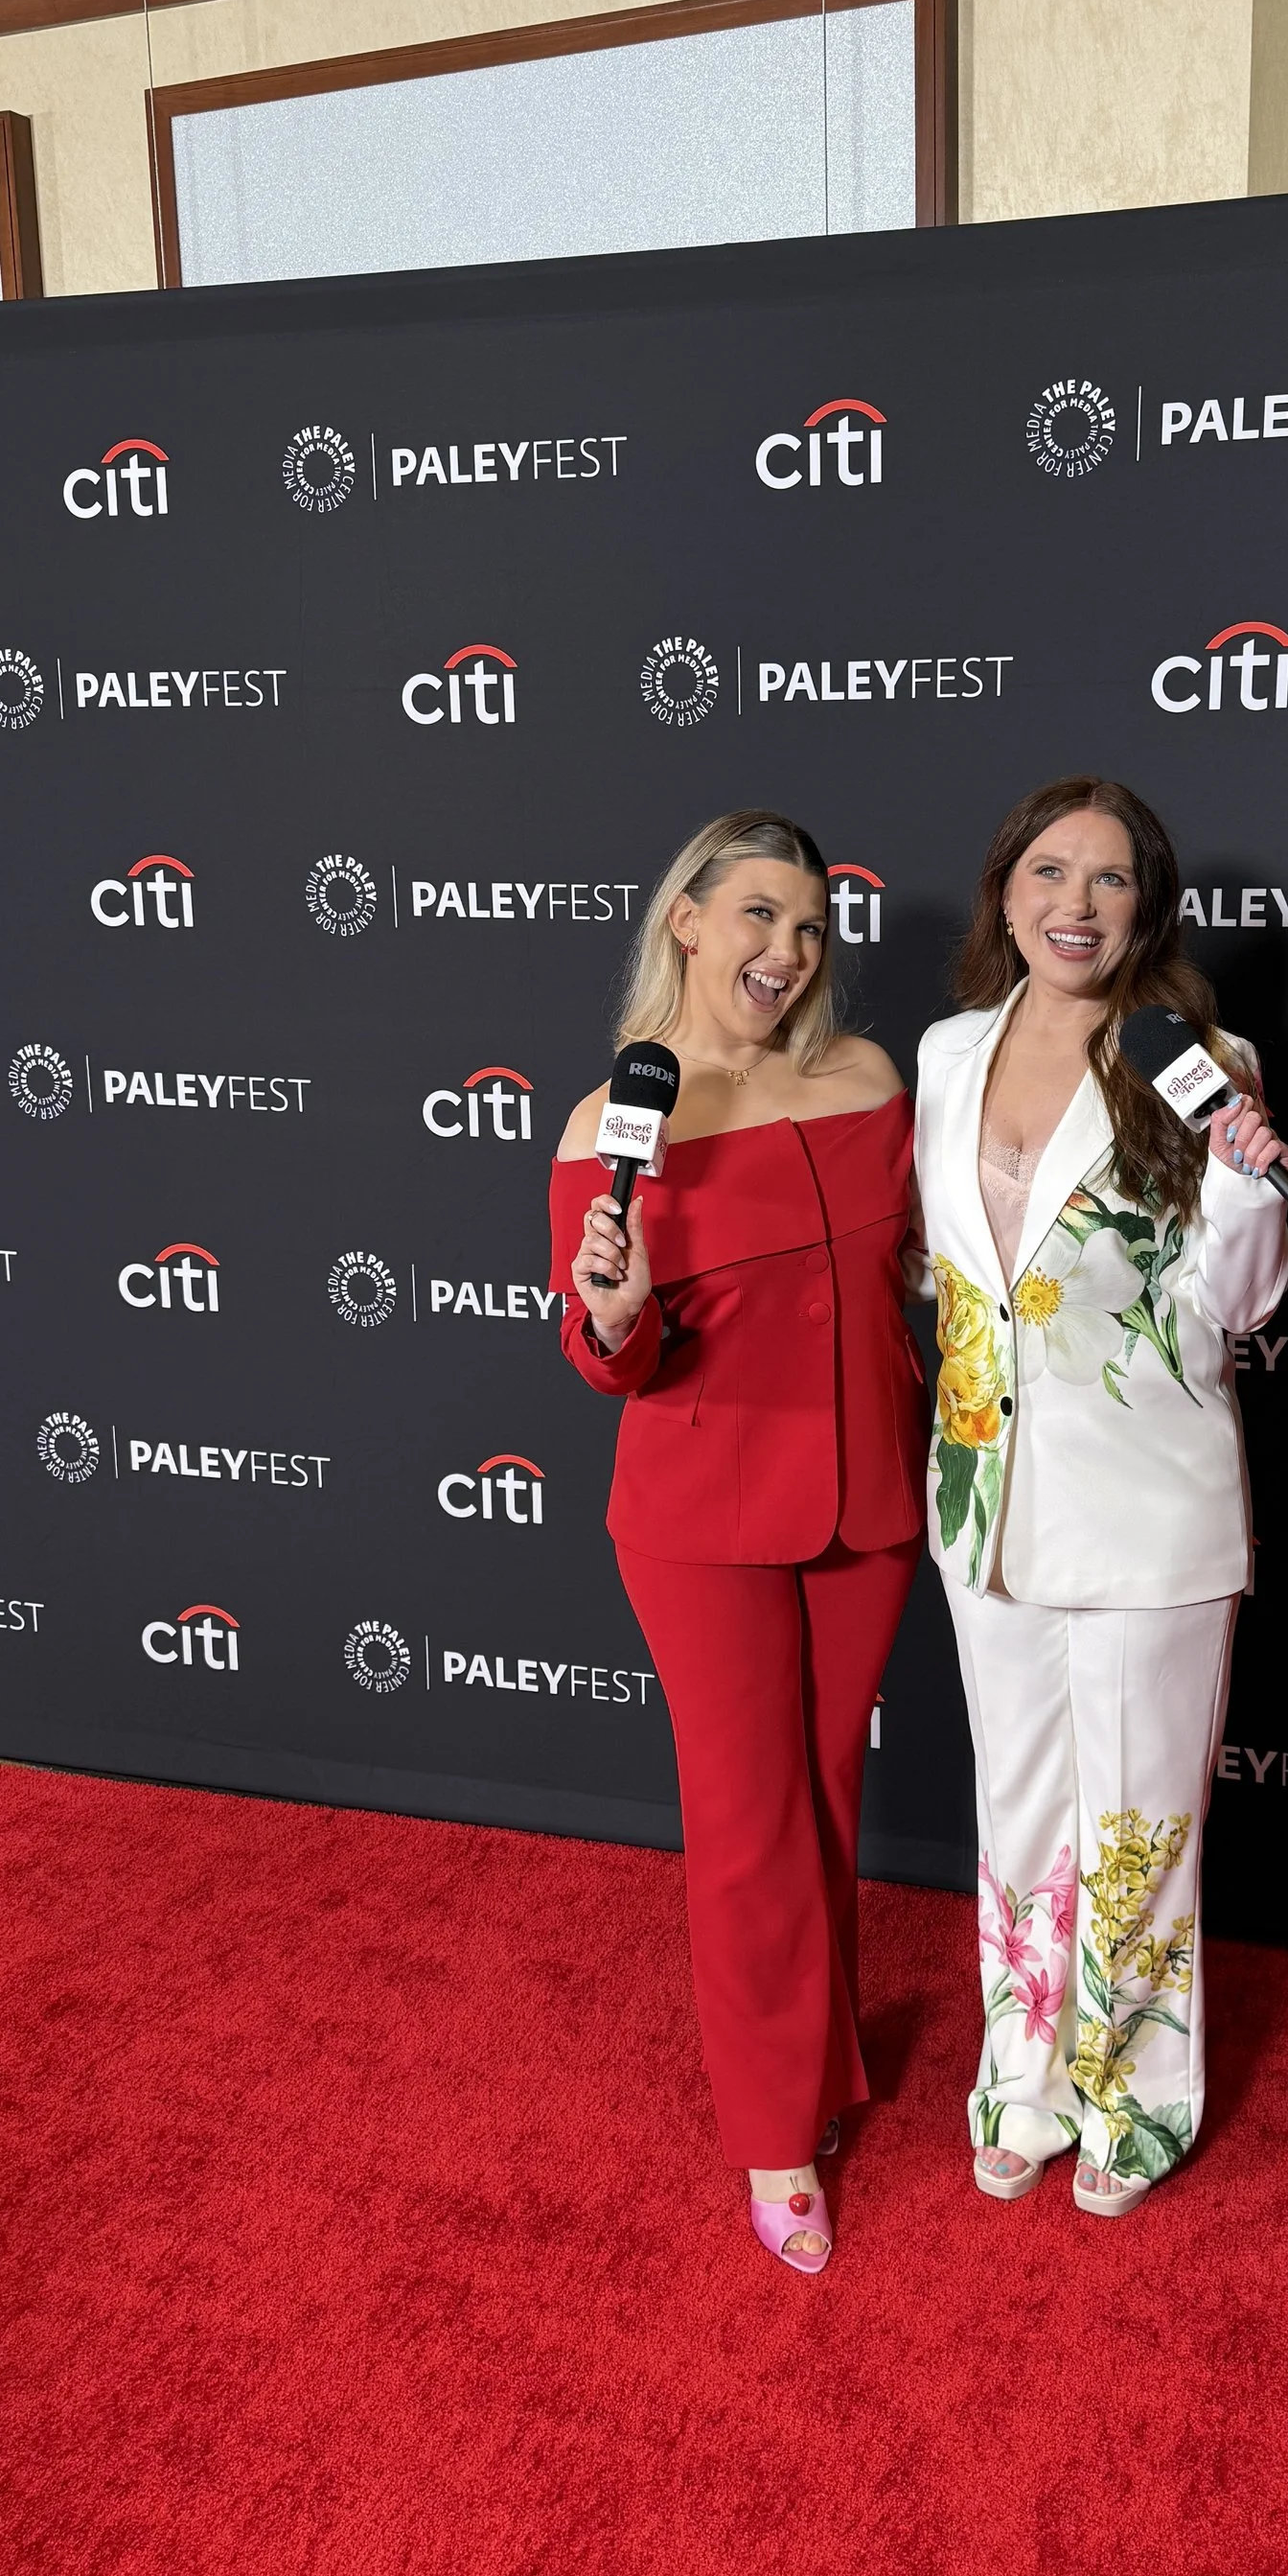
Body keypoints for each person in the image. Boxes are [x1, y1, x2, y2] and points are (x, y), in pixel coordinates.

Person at [551, 812, 925, 2275]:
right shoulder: (610, 1127)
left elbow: (912, 1262)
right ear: (689, 923)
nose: (788, 951)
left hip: (869, 1499)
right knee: (749, 1820)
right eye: (760, 916)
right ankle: (776, 2134)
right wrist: (616, 1314)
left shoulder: (865, 1077)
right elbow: (609, 1362)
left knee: (824, 1800)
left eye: (813, 926)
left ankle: (824, 2065)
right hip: (704, 1517)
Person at [915, 778, 1288, 2217]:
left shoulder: (1199, 1053)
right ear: (1006, 893)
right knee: (1017, 1813)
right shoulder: (949, 1052)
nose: (1077, 904)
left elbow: (1237, 1308)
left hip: (1148, 1515)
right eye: (1050, 872)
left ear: (1149, 906)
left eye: (1112, 879)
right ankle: (1024, 2077)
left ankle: (1137, 2100)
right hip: (982, 1504)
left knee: (1137, 1827)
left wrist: (1252, 1186)